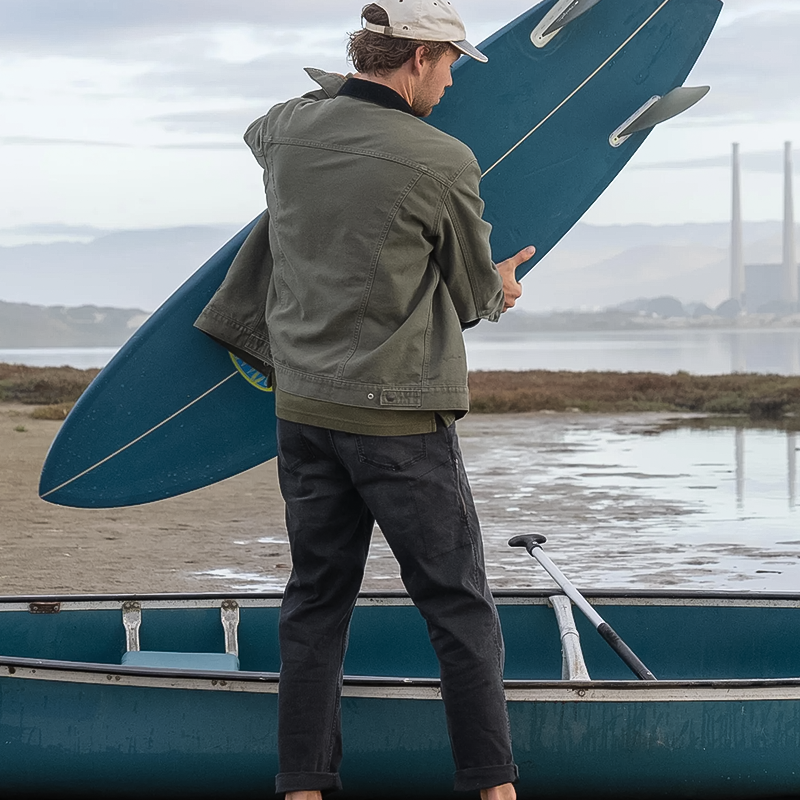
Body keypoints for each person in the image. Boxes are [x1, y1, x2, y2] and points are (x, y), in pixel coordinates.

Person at [213, 1, 536, 797]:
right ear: (420, 57)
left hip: (305, 412)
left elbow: (272, 127)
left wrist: (345, 93)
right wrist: (500, 288)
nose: (454, 80)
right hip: (400, 418)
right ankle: (492, 786)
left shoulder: (284, 129)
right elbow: (464, 295)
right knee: (458, 607)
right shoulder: (441, 159)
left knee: (315, 602)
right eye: (452, 63)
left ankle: (304, 786)